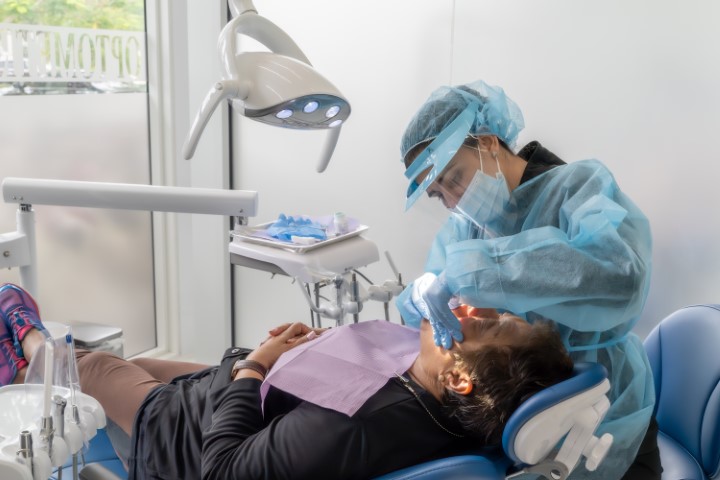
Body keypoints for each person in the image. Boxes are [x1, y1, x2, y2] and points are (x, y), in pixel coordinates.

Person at [0, 283, 574, 480]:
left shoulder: (358, 424)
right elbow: (360, 367)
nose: (472, 308)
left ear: (460, 377)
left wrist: (256, 365)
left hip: (193, 446)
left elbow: (223, 469)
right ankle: (26, 353)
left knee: (91, 367)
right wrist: (316, 345)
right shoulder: (435, 384)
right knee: (139, 367)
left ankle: (24, 337)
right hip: (244, 395)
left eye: (487, 325)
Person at [395, 79, 659, 480]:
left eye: (453, 177)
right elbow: (435, 289)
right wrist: (420, 294)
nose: (453, 200)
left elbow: (622, 276)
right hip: (525, 413)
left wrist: (474, 271)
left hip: (604, 399)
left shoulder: (578, 186)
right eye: (438, 194)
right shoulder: (470, 225)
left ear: (486, 142)